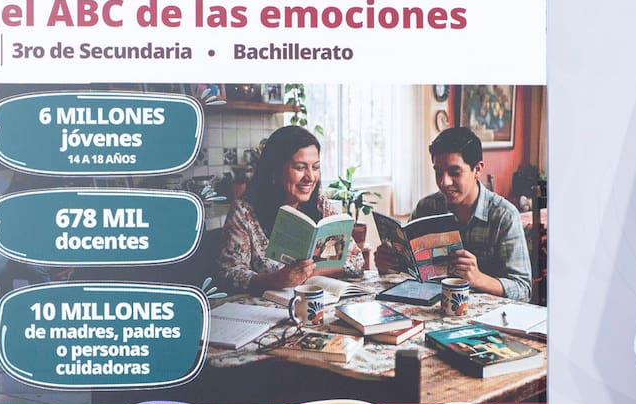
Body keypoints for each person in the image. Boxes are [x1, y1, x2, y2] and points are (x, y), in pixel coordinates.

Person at [377, 127, 532, 301]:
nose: (444, 182)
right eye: (438, 172)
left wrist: (479, 279)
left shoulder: (504, 216)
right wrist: (389, 264)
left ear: (477, 169)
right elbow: (410, 269)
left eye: (455, 173)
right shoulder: (426, 208)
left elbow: (523, 289)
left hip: (486, 314)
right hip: (430, 307)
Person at [216, 125, 363, 294]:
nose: (310, 177)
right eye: (300, 167)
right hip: (266, 306)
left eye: (315, 167)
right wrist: (275, 280)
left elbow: (355, 260)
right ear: (275, 170)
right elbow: (229, 274)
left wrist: (309, 273)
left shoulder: (320, 205)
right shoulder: (244, 212)